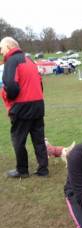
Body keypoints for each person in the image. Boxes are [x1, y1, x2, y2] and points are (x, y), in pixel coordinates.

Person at [0, 37, 48, 178]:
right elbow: (40, 83)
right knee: (38, 140)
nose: (1, 52)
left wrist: (10, 100)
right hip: (38, 104)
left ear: (8, 47)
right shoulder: (30, 60)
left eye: (1, 48)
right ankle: (43, 169)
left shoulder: (11, 61)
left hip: (22, 107)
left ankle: (22, 170)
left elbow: (10, 85)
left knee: (18, 140)